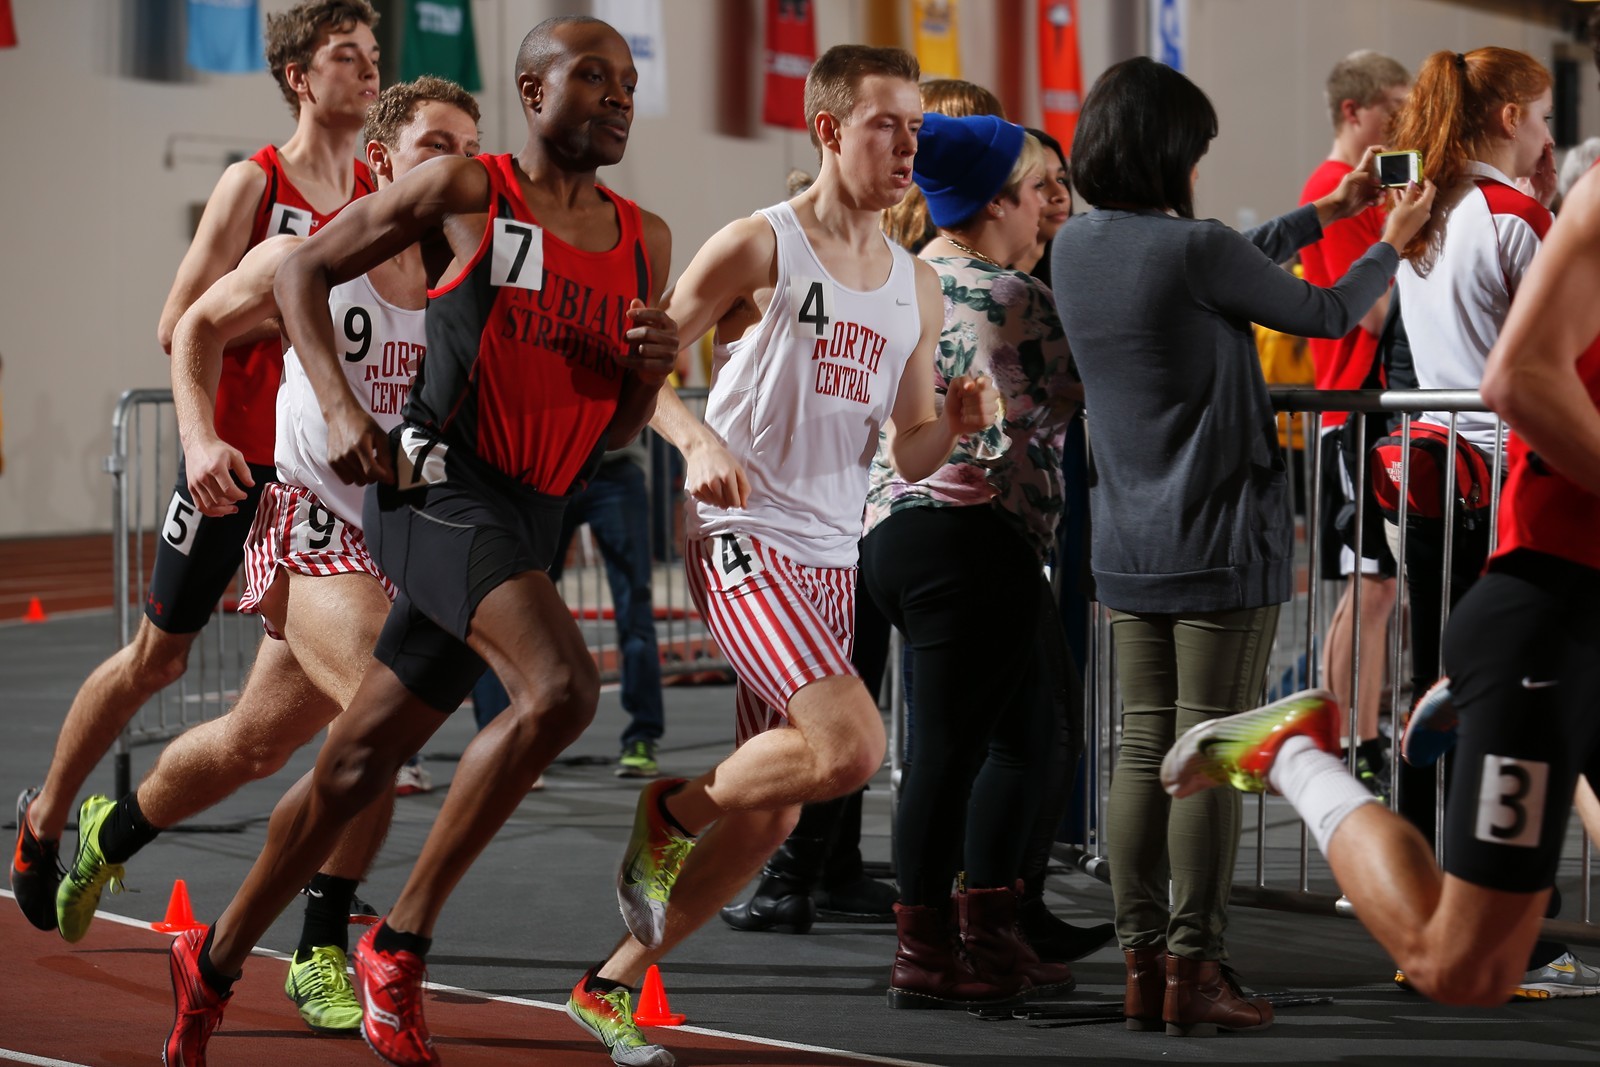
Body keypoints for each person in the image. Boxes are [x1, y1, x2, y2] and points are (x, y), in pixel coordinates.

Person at [161, 17, 678, 1065]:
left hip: (534, 510)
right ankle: (396, 944)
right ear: (533, 96)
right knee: (564, 689)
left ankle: (209, 960)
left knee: (355, 761)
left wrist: (650, 372)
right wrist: (350, 413)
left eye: (628, 80)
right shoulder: (468, 190)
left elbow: (614, 434)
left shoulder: (644, 237)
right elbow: (303, 272)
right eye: (592, 76)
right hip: (437, 486)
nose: (619, 96)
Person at [563, 44, 996, 1065]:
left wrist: (963, 424)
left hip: (831, 554)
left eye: (916, 131)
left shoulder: (912, 287)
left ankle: (606, 982)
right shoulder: (761, 244)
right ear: (829, 130)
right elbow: (645, 363)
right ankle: (668, 808)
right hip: (744, 534)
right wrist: (700, 439)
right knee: (850, 747)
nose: (906, 148)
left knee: (771, 819)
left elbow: (910, 442)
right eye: (887, 124)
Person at [52, 78, 478, 1035]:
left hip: (397, 544)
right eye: (434, 147)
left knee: (255, 741)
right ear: (380, 161)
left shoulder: (466, 278)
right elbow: (195, 326)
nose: (458, 168)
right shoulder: (308, 256)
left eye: (470, 150)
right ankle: (321, 943)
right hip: (304, 524)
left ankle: (108, 830)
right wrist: (202, 441)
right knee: (383, 711)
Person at [1162, 149, 1600, 1007]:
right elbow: (1517, 377)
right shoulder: (1566, 207)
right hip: (1551, 607)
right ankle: (1296, 752)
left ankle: (1461, 691)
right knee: (1465, 966)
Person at [1052, 55, 1433, 1037]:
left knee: (1141, 746)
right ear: (1169, 149)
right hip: (1220, 533)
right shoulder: (1193, 250)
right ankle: (1196, 963)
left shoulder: (1077, 245)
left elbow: (1226, 262)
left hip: (1129, 536)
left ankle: (1142, 962)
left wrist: (1322, 215)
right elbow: (1323, 309)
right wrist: (1385, 240)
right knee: (1211, 749)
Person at [10, 0, 380, 935]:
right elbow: (179, 323)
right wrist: (287, 305)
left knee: (356, 700)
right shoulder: (252, 186)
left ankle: (327, 895)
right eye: (348, 55)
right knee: (158, 659)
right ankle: (46, 816)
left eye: (376, 54)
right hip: (232, 467)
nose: (370, 70)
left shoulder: (382, 186)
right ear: (300, 75)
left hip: (318, 488)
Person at [860, 112, 1082, 1009]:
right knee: (958, 748)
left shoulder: (900, 275)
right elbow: (1081, 391)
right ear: (997, 203)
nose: (1049, 213)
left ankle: (986, 931)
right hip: (968, 528)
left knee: (1024, 736)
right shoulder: (1015, 296)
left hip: (897, 530)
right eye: (1039, 195)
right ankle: (928, 947)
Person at [1298, 50, 1411, 799]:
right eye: (1394, 112)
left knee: (1378, 590)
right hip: (1352, 406)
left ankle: (1354, 732)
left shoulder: (1374, 195)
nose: (1406, 126)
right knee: (1370, 589)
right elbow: (1366, 308)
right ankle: (1345, 738)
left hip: (1384, 407)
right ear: (1354, 113)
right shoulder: (1327, 193)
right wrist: (1409, 237)